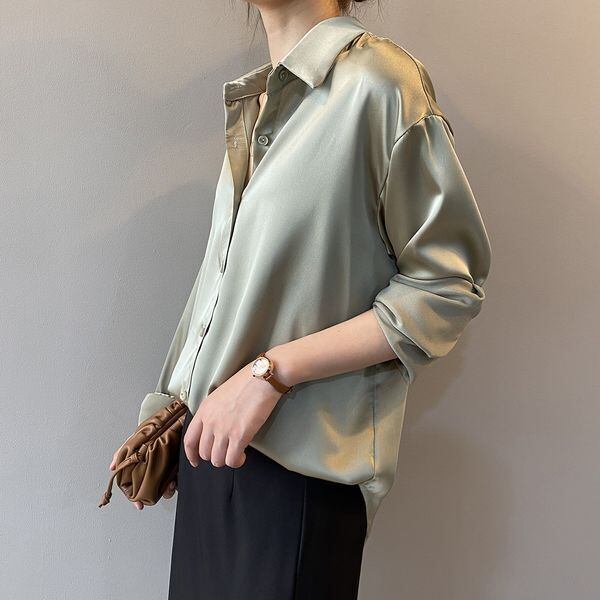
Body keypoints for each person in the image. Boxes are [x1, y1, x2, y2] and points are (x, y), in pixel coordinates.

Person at [110, 1, 492, 598]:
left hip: (298, 482)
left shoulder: (381, 85)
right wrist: (172, 405)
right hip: (212, 456)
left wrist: (271, 373)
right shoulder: (260, 100)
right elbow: (222, 283)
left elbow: (446, 287)